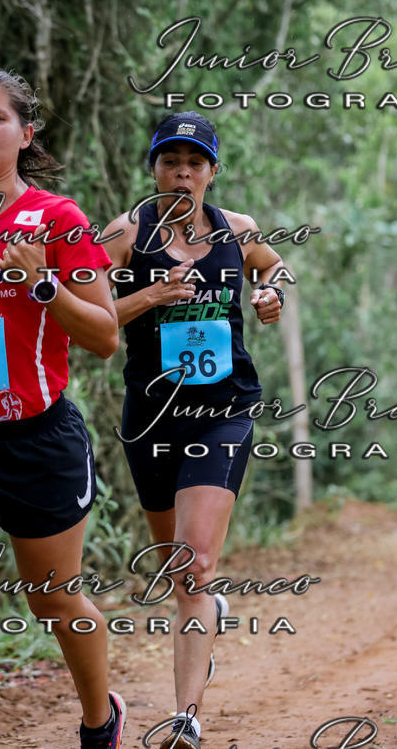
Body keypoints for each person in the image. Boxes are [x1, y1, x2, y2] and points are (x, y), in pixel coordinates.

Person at [0, 68, 126, 749]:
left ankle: (101, 720)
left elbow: (105, 335)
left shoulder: (59, 220)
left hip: (37, 438)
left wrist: (41, 283)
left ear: (24, 133)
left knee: (52, 598)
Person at [104, 111, 284, 749]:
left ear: (212, 171)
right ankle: (208, 608)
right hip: (151, 416)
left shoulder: (238, 229)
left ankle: (185, 718)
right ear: (154, 168)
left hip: (223, 411)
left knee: (194, 564)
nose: (182, 173)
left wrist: (270, 295)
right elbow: (90, 316)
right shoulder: (125, 234)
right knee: (175, 570)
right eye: (170, 161)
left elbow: (273, 265)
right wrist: (151, 297)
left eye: (195, 163)